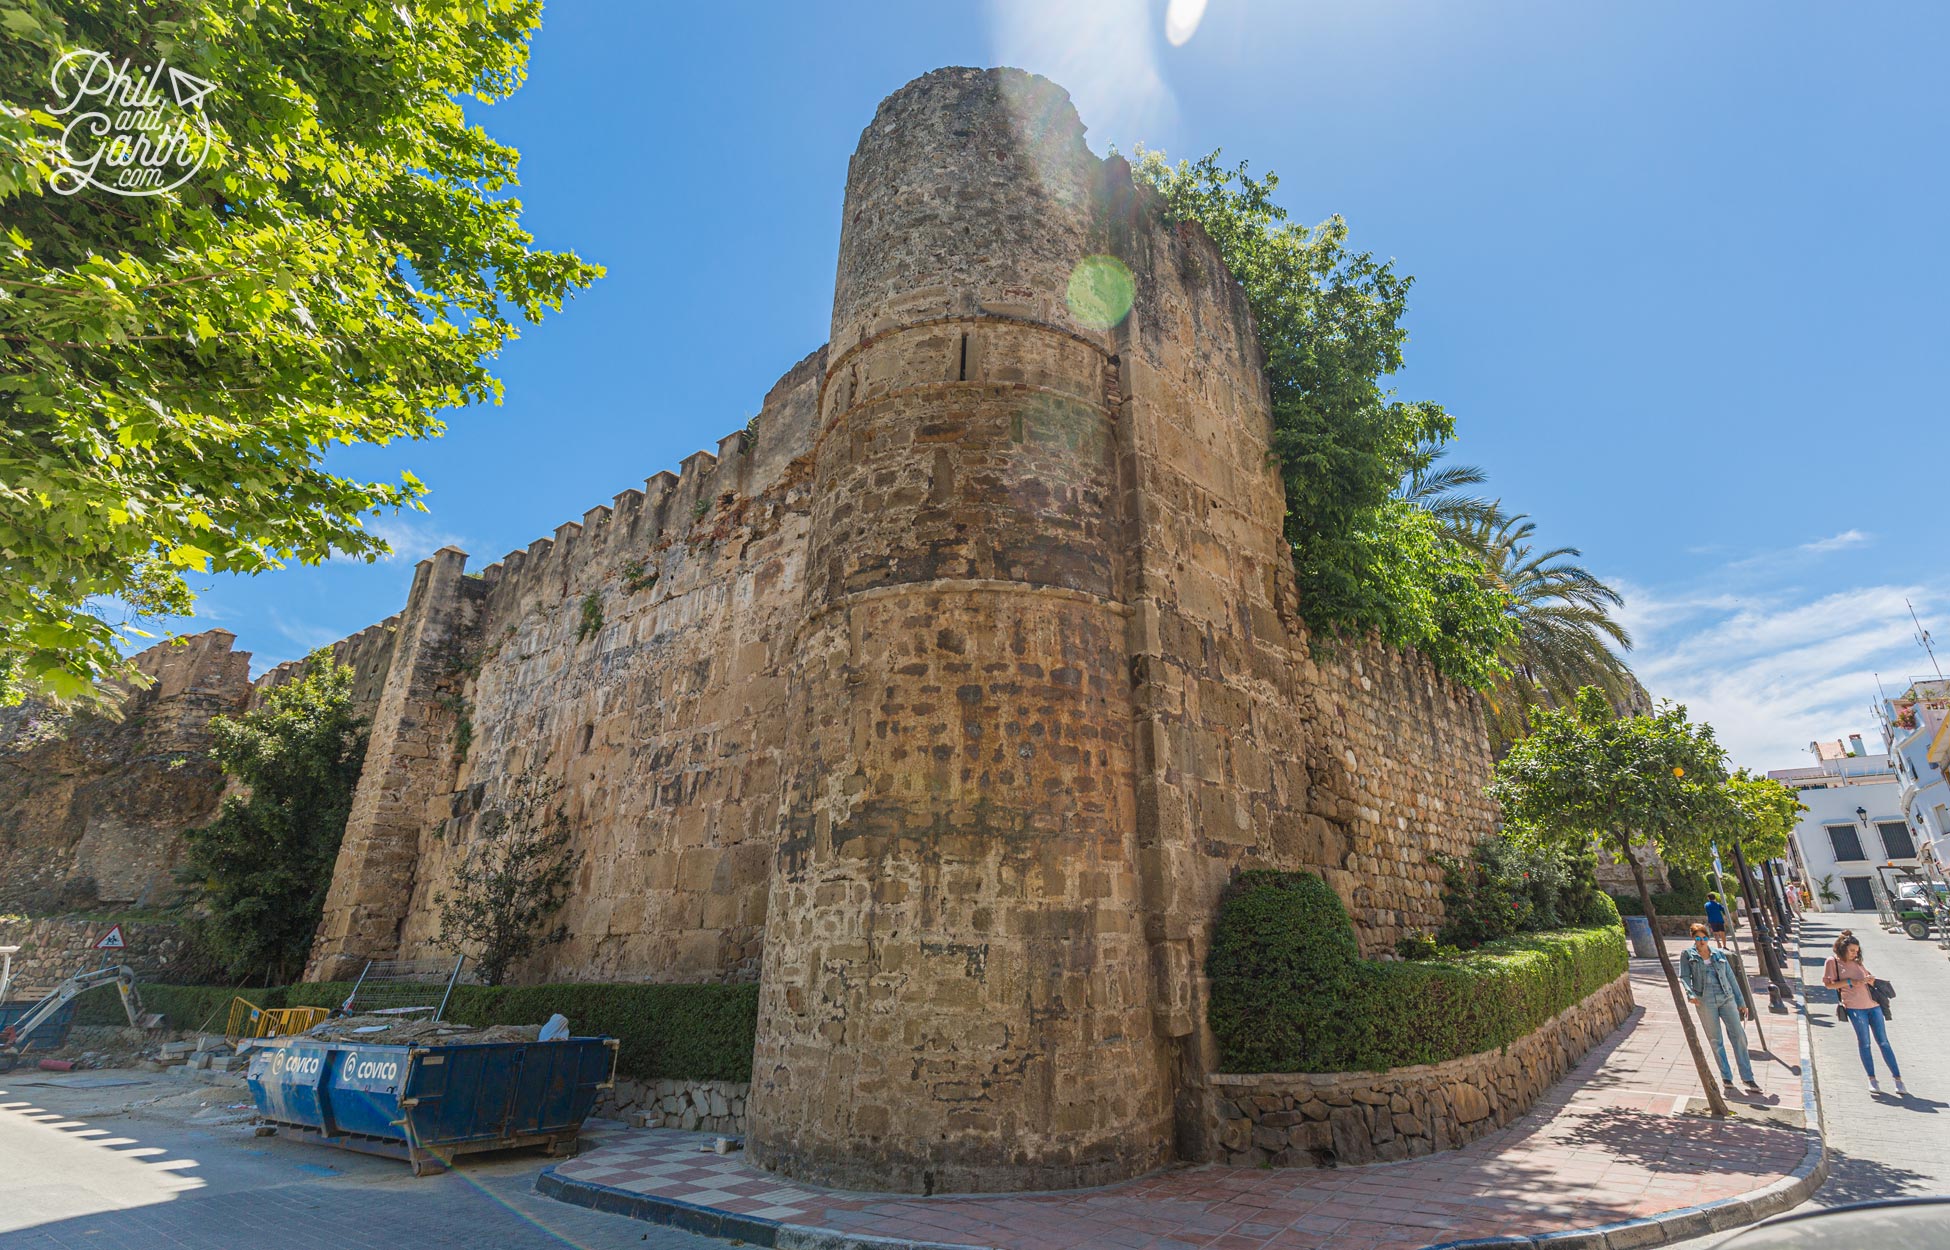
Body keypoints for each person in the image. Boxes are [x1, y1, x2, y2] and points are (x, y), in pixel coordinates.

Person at [1679, 922, 1763, 1096]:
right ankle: (1726, 1076)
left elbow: (1731, 978)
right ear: (1693, 939)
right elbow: (1685, 976)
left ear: (1708, 938)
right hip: (1705, 999)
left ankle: (1747, 1076)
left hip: (1727, 997)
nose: (1701, 941)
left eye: (1704, 938)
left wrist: (1741, 1002)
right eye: (1698, 938)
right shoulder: (1687, 955)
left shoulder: (1718, 954)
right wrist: (1690, 994)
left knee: (1739, 1035)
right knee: (1716, 1039)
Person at [1824, 932, 1906, 1095]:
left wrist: (1870, 979)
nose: (1855, 954)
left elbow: (1868, 977)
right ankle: (1872, 1079)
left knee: (1884, 1042)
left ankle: (1898, 1080)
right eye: (1852, 951)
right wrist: (1850, 982)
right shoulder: (1832, 962)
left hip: (1873, 1006)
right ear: (1842, 949)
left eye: (1857, 951)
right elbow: (1828, 985)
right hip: (1854, 1008)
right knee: (1865, 1043)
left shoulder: (1857, 961)